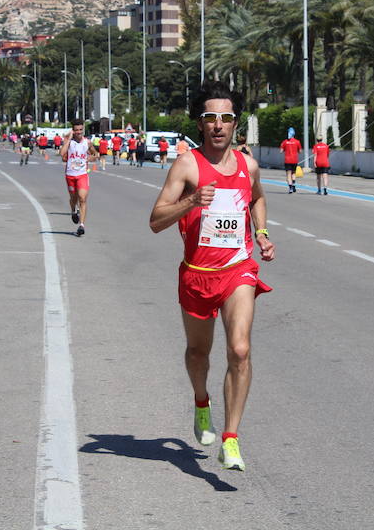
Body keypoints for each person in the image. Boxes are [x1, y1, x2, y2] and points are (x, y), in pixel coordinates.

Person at [149, 81, 275, 472]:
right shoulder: (187, 165)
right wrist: (190, 200)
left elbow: (256, 196)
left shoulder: (247, 164)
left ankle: (231, 437)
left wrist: (263, 233)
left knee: (239, 350)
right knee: (197, 353)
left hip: (238, 269)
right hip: (197, 275)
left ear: (236, 123)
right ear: (200, 123)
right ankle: (201, 402)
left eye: (226, 117)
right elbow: (155, 221)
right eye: (210, 118)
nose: (218, 125)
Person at [61, 120, 98, 236]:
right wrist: (69, 139)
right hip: (70, 175)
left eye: (80, 130)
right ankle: (73, 211)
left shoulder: (87, 142)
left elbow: (95, 154)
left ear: (83, 129)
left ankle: (81, 225)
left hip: (82, 174)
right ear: (73, 130)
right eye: (76, 130)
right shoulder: (69, 141)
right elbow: (62, 154)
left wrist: (91, 158)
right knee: (73, 198)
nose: (79, 132)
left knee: (82, 198)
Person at [280, 127, 302, 193]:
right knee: (294, 173)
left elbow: (281, 151)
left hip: (287, 160)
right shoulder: (297, 142)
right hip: (294, 160)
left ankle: (290, 188)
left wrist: (284, 148)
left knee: (288, 174)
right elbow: (300, 151)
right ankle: (294, 185)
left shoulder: (285, 142)